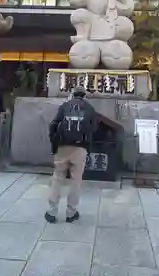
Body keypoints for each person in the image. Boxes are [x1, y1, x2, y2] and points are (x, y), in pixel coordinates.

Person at [45, 86, 96, 224]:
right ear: (84, 96)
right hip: (80, 148)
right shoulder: (89, 108)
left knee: (58, 177)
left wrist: (54, 143)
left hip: (62, 146)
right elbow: (93, 128)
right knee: (76, 180)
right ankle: (71, 212)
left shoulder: (65, 106)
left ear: (72, 95)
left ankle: (52, 211)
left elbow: (53, 125)